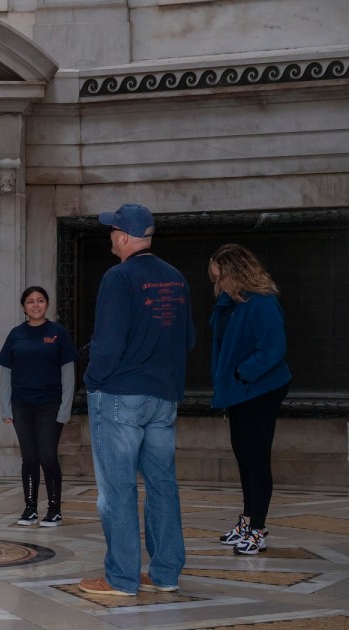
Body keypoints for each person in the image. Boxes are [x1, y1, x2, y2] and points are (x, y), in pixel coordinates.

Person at [80, 204, 196, 597]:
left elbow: (108, 343)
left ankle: (122, 578)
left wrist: (93, 380)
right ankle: (165, 574)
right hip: (163, 398)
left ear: (126, 237)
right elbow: (190, 339)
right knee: (163, 486)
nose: (110, 236)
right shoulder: (176, 277)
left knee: (118, 488)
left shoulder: (119, 278)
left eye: (113, 230)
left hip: (120, 397)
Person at [208, 244, 291, 556]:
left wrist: (243, 373)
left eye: (220, 276)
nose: (217, 283)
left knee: (256, 459)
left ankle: (258, 529)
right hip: (238, 390)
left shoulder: (263, 302)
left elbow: (273, 348)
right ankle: (247, 519)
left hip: (259, 389)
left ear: (236, 272)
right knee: (244, 456)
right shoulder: (231, 301)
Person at [0, 286, 79, 527]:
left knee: (47, 456)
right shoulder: (15, 335)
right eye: (30, 301)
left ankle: (54, 510)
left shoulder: (58, 333)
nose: (35, 305)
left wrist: (65, 409)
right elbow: (5, 374)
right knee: (29, 458)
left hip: (49, 406)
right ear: (23, 307)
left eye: (40, 301)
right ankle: (30, 508)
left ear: (47, 304)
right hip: (21, 405)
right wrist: (5, 407)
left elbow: (68, 375)